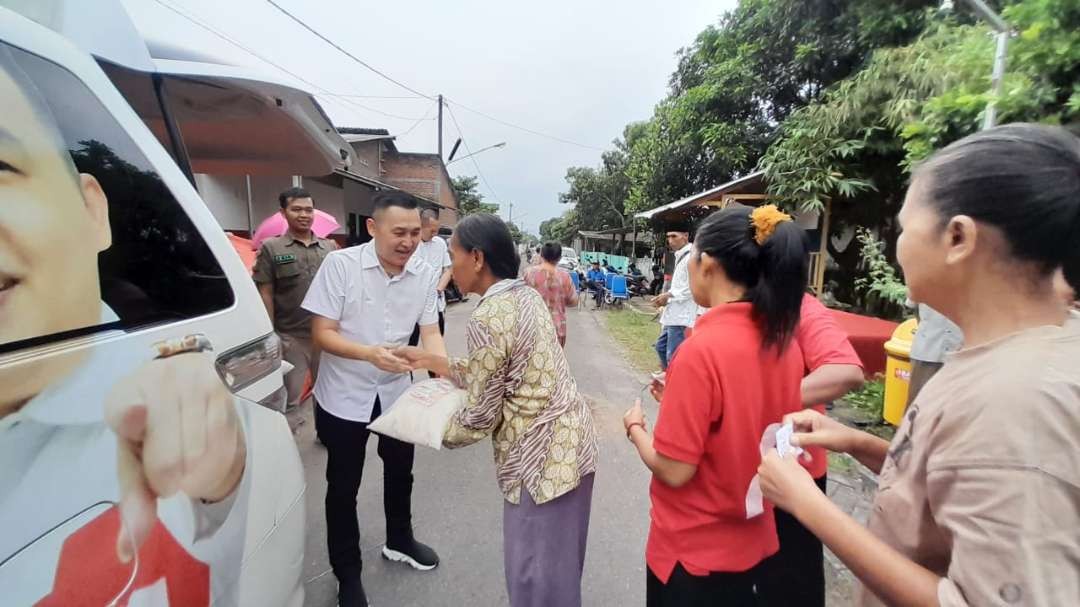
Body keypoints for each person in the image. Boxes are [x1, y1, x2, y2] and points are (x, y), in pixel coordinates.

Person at [0, 48, 293, 604]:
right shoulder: (279, 254)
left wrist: (224, 479)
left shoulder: (191, 404)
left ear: (93, 209)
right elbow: (278, 302)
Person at [758, 124, 1080, 607]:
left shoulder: (1019, 402)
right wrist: (858, 442)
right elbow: (959, 488)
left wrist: (807, 503)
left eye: (906, 228)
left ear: (957, 237)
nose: (898, 246)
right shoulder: (1009, 357)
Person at [397, 214, 598, 607]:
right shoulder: (523, 295)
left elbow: (479, 417)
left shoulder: (488, 316)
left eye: (452, 256)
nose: (449, 267)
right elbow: (505, 370)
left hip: (538, 465)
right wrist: (432, 359)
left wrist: (420, 424)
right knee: (559, 569)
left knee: (535, 578)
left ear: (476, 258)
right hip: (573, 449)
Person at [623, 204, 809, 605]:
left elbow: (675, 470)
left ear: (706, 263)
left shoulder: (700, 351)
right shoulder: (784, 344)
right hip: (753, 546)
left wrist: (636, 430)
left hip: (692, 559)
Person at [302, 191, 447, 607]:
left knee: (401, 470)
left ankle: (399, 538)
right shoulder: (340, 265)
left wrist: (443, 372)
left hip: (397, 392)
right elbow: (322, 333)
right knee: (343, 484)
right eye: (398, 232)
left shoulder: (421, 272)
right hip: (344, 394)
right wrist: (369, 354)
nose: (407, 242)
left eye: (415, 234)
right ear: (372, 227)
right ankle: (347, 573)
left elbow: (431, 330)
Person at [754, 294, 865, 606]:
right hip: (740, 474)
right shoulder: (729, 304)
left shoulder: (798, 306)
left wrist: (756, 400)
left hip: (793, 477)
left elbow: (845, 370)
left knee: (789, 584)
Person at [253, 187, 337, 415]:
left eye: (309, 210)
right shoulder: (272, 248)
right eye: (296, 209)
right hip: (291, 337)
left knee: (328, 392)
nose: (304, 215)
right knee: (292, 398)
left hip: (326, 335)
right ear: (283, 212)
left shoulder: (329, 248)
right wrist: (271, 335)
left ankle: (326, 435)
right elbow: (266, 293)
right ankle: (289, 442)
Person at [408, 209, 453, 376]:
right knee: (409, 346)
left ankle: (435, 380)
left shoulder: (440, 244)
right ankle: (406, 378)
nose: (435, 234)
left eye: (437, 230)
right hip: (412, 305)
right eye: (432, 230)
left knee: (434, 345)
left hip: (435, 304)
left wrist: (439, 288)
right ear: (421, 226)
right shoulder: (411, 244)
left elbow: (447, 269)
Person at [652, 230, 694, 370]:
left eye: (674, 236)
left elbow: (692, 287)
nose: (670, 240)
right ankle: (668, 378)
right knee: (661, 347)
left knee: (673, 356)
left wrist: (669, 296)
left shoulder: (692, 257)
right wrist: (663, 297)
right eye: (668, 236)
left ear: (686, 236)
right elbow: (678, 286)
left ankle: (673, 384)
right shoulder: (680, 256)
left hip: (682, 317)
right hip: (673, 314)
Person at [523, 242, 579, 347]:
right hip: (556, 328)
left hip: (532, 327)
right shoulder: (565, 276)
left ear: (541, 255)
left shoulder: (528, 273)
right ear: (559, 258)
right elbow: (574, 301)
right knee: (555, 362)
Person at [906, 304, 963, 406]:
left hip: (962, 351)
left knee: (956, 405)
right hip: (927, 350)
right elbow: (913, 304)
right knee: (918, 405)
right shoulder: (923, 286)